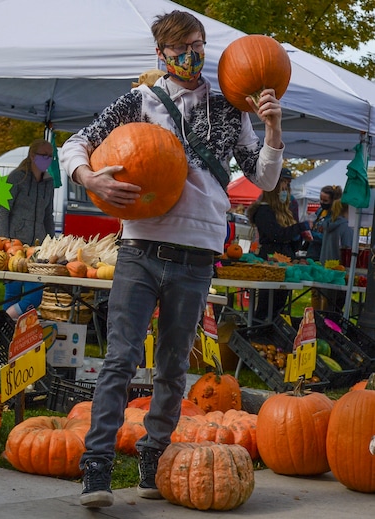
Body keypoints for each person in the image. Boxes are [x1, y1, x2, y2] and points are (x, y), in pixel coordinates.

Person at [60, 10, 284, 508]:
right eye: (181, 47)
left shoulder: (231, 106)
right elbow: (76, 143)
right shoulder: (138, 101)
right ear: (160, 55)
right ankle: (96, 466)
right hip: (141, 247)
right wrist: (89, 177)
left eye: (199, 44)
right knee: (119, 358)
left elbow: (264, 179)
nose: (192, 55)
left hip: (198, 254)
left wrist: (272, 128)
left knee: (172, 367)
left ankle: (152, 454)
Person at [0, 138, 55, 319]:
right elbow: (3, 210)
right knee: (12, 293)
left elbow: (48, 216)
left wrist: (52, 242)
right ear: (32, 155)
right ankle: (9, 333)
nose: (48, 159)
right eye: (44, 155)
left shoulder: (49, 183)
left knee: (35, 296)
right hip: (14, 244)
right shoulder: (16, 178)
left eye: (50, 156)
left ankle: (1, 321)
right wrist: (4, 239)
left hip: (37, 249)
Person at [247, 178, 311, 322]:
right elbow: (277, 235)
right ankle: (259, 329)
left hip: (286, 259)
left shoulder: (285, 212)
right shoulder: (263, 211)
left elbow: (289, 239)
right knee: (268, 301)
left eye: (287, 189)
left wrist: (298, 239)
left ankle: (274, 330)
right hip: (271, 259)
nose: (285, 193)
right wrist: (299, 228)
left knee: (280, 302)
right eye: (282, 189)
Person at [319, 194, 352, 312]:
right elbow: (349, 249)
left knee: (328, 306)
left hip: (326, 270)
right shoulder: (346, 227)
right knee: (336, 308)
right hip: (340, 273)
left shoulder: (329, 225)